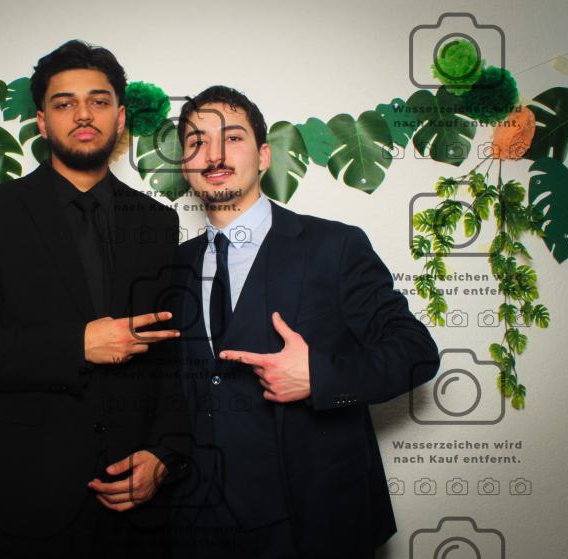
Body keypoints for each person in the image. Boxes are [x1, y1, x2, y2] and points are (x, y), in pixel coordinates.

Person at [0, 39, 190, 558]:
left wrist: (163, 453)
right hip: (25, 497)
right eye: (64, 103)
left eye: (98, 101)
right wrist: (77, 344)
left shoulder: (157, 222)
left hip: (136, 503)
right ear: (43, 123)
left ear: (120, 118)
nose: (83, 114)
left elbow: (170, 358)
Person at [167, 85, 441, 558]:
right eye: (197, 142)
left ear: (264, 155)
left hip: (314, 521)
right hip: (200, 526)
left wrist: (320, 377)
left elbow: (416, 352)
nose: (214, 155)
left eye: (232, 138)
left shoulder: (334, 246)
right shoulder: (172, 267)